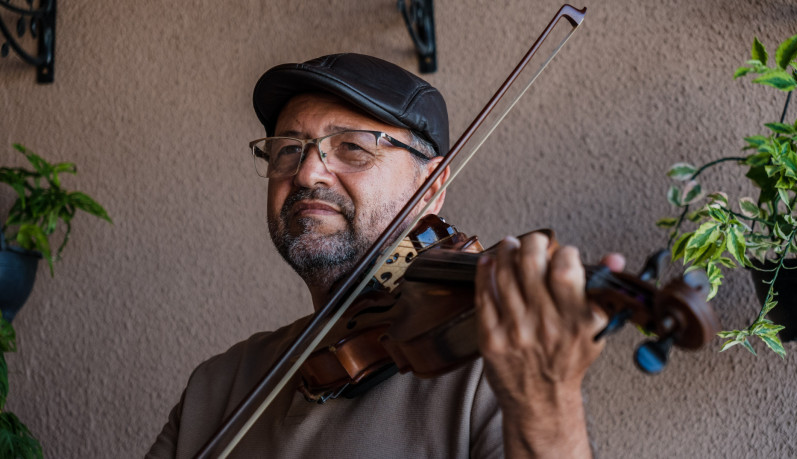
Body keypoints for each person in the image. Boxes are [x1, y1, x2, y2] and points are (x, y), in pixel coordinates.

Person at [147, 53, 624, 458]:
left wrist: (546, 405)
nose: (309, 171)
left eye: (352, 147)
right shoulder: (217, 388)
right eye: (288, 149)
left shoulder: (495, 373)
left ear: (432, 187)